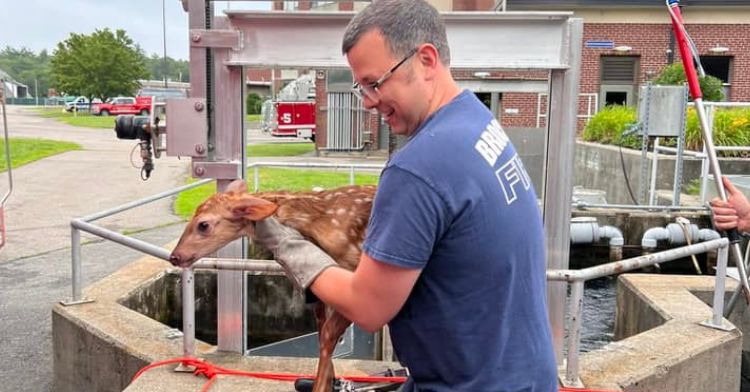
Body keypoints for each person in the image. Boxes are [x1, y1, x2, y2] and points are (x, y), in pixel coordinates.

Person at [254, 0, 558, 390]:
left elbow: (367, 307)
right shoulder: (479, 124)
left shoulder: (418, 168)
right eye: (360, 86)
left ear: (427, 60)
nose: (367, 100)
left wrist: (290, 249)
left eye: (375, 83)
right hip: (523, 377)